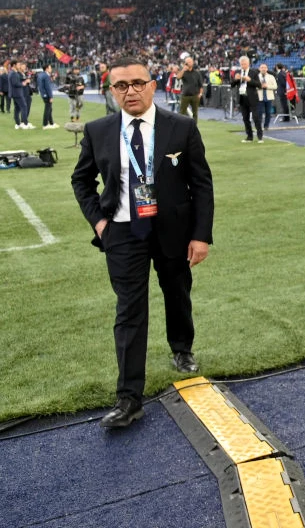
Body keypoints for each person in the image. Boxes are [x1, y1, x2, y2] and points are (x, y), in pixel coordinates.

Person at [70, 57, 214, 429]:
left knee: (177, 293)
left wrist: (200, 235)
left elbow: (201, 184)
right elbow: (81, 181)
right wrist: (100, 222)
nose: (130, 91)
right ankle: (128, 397)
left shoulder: (181, 127)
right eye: (121, 85)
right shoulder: (98, 130)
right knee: (129, 310)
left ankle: (182, 349)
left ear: (153, 85)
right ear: (111, 90)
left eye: (137, 83)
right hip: (122, 232)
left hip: (172, 230)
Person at [232, 55, 263, 143]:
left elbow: (259, 85)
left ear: (248, 63)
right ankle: (249, 137)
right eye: (242, 64)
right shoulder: (237, 72)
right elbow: (232, 85)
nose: (243, 66)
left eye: (245, 64)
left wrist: (250, 80)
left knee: (256, 117)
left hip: (252, 98)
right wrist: (235, 79)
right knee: (245, 118)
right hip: (242, 98)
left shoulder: (254, 72)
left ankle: (260, 136)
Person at [177, 56, 203, 123]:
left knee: (195, 113)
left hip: (195, 95)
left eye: (190, 62)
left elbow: (201, 85)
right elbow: (178, 77)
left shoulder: (197, 73)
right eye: (187, 62)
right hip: (185, 95)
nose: (188, 63)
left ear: (193, 63)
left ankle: (194, 128)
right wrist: (183, 69)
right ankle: (181, 127)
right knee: (182, 113)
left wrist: (200, 94)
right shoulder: (183, 72)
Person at [9, 61, 32, 129]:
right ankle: (25, 124)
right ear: (14, 65)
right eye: (18, 64)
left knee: (17, 109)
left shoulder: (13, 73)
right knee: (24, 107)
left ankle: (18, 124)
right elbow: (15, 83)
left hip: (15, 93)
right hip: (17, 93)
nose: (19, 66)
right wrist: (23, 83)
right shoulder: (13, 73)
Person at [257, 63, 278, 129]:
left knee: (268, 113)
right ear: (259, 69)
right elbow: (253, 86)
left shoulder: (271, 77)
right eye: (262, 67)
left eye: (265, 67)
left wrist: (267, 86)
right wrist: (260, 87)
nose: (263, 69)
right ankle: (259, 126)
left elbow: (275, 86)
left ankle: (266, 126)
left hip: (269, 98)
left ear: (267, 69)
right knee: (259, 112)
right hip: (259, 97)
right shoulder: (256, 76)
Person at [36, 64, 57, 129]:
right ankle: (45, 124)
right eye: (50, 68)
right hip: (46, 94)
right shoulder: (46, 76)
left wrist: (52, 79)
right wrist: (51, 96)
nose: (51, 69)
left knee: (49, 109)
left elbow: (43, 84)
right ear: (47, 69)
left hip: (43, 94)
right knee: (48, 109)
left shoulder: (41, 75)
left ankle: (51, 123)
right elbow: (48, 87)